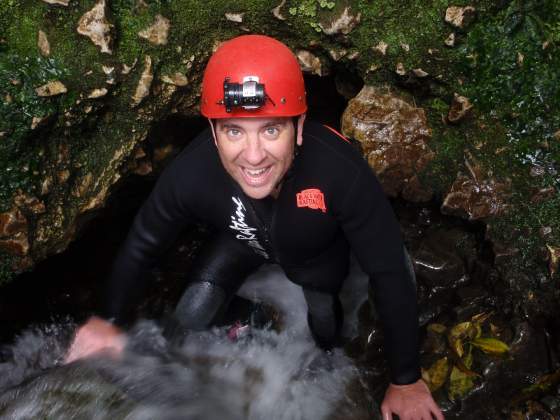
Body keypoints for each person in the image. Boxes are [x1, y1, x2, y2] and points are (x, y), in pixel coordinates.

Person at [65, 35, 443, 420]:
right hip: (243, 239)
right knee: (192, 315)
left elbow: (389, 271)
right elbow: (144, 242)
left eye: (270, 130)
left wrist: (405, 380)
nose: (253, 155)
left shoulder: (338, 171)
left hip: (316, 257)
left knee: (326, 336)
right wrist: (108, 320)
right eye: (234, 131)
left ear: (298, 127)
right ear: (213, 133)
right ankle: (253, 318)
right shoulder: (192, 173)